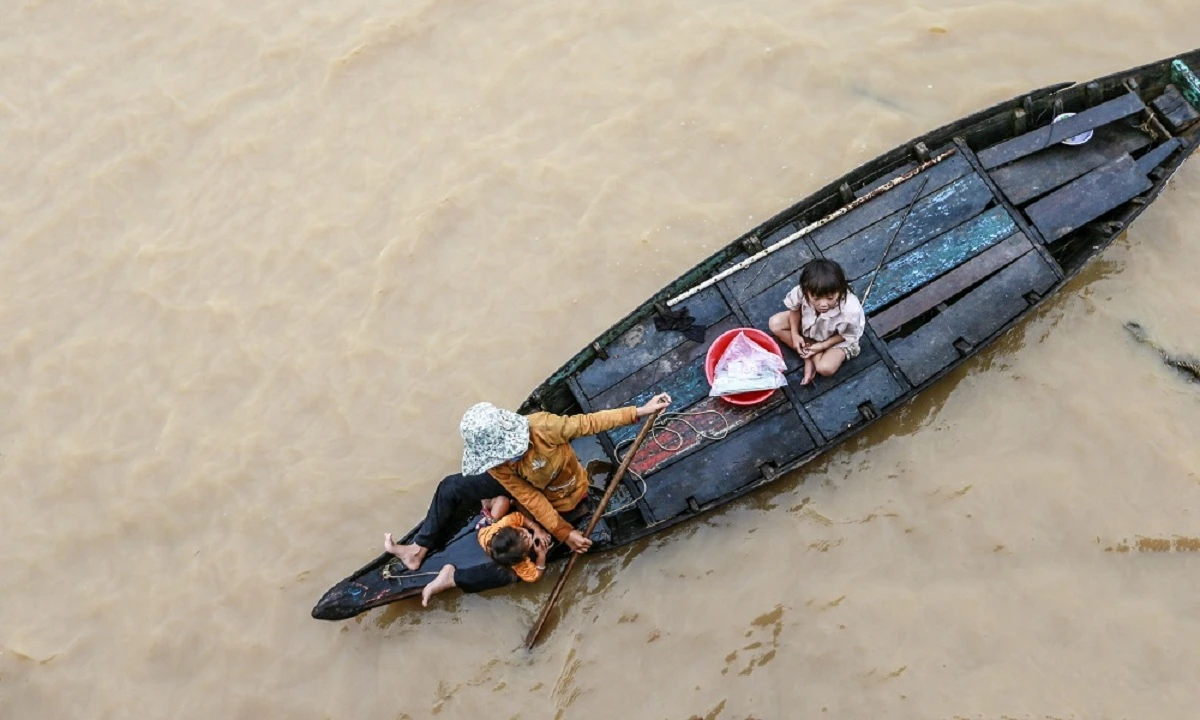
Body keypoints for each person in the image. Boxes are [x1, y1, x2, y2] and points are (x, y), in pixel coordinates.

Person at [384, 392, 672, 576]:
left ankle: (452, 575)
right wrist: (565, 531)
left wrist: (640, 411)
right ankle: (418, 550)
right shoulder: (499, 467)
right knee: (451, 487)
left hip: (557, 492)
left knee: (529, 545)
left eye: (504, 455)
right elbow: (525, 494)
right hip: (525, 490)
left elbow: (589, 423)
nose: (502, 462)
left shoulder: (543, 428)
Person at [405, 508, 553, 607]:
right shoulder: (520, 564)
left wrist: (536, 528)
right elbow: (534, 575)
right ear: (520, 558)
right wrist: (541, 555)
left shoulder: (506, 526)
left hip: (483, 535)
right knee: (506, 576)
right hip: (484, 540)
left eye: (524, 534)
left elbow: (519, 517)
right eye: (525, 538)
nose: (527, 534)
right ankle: (449, 578)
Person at [767, 258, 865, 386]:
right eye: (816, 298)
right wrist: (795, 334)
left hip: (836, 338)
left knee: (825, 368)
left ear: (840, 290)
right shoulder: (803, 290)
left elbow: (847, 335)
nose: (823, 304)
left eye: (830, 298)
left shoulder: (850, 310)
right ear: (807, 291)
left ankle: (810, 352)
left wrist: (822, 346)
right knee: (775, 323)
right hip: (810, 324)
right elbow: (794, 308)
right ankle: (810, 355)